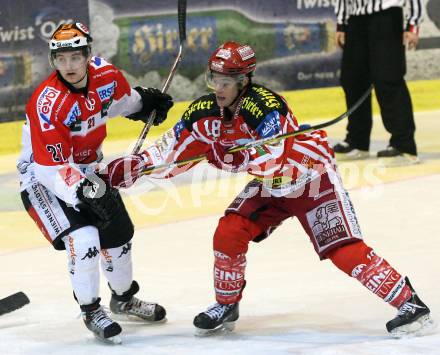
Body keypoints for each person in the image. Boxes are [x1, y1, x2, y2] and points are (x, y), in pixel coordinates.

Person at [106, 41, 433, 337]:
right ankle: (226, 305)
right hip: (271, 187)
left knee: (342, 249)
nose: (217, 88)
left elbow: (274, 157)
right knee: (229, 232)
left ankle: (410, 304)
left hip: (309, 178)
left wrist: (236, 158)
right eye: (214, 80)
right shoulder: (205, 112)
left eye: (225, 81)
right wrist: (139, 166)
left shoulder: (266, 106)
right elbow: (172, 149)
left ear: (243, 80)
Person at [17, 22, 173, 343]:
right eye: (61, 60)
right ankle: (90, 310)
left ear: (88, 55)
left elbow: (118, 101)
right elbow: (51, 166)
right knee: (86, 237)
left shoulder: (106, 75)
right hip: (42, 178)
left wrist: (144, 104)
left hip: (88, 170)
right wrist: (81, 191)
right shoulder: (47, 103)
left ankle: (124, 298)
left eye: (76, 57)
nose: (69, 66)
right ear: (52, 62)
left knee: (118, 237)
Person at [333, 0, 422, 165]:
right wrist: (341, 23)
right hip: (355, 18)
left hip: (386, 16)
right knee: (353, 80)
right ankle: (357, 142)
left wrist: (412, 24)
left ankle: (404, 146)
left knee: (388, 78)